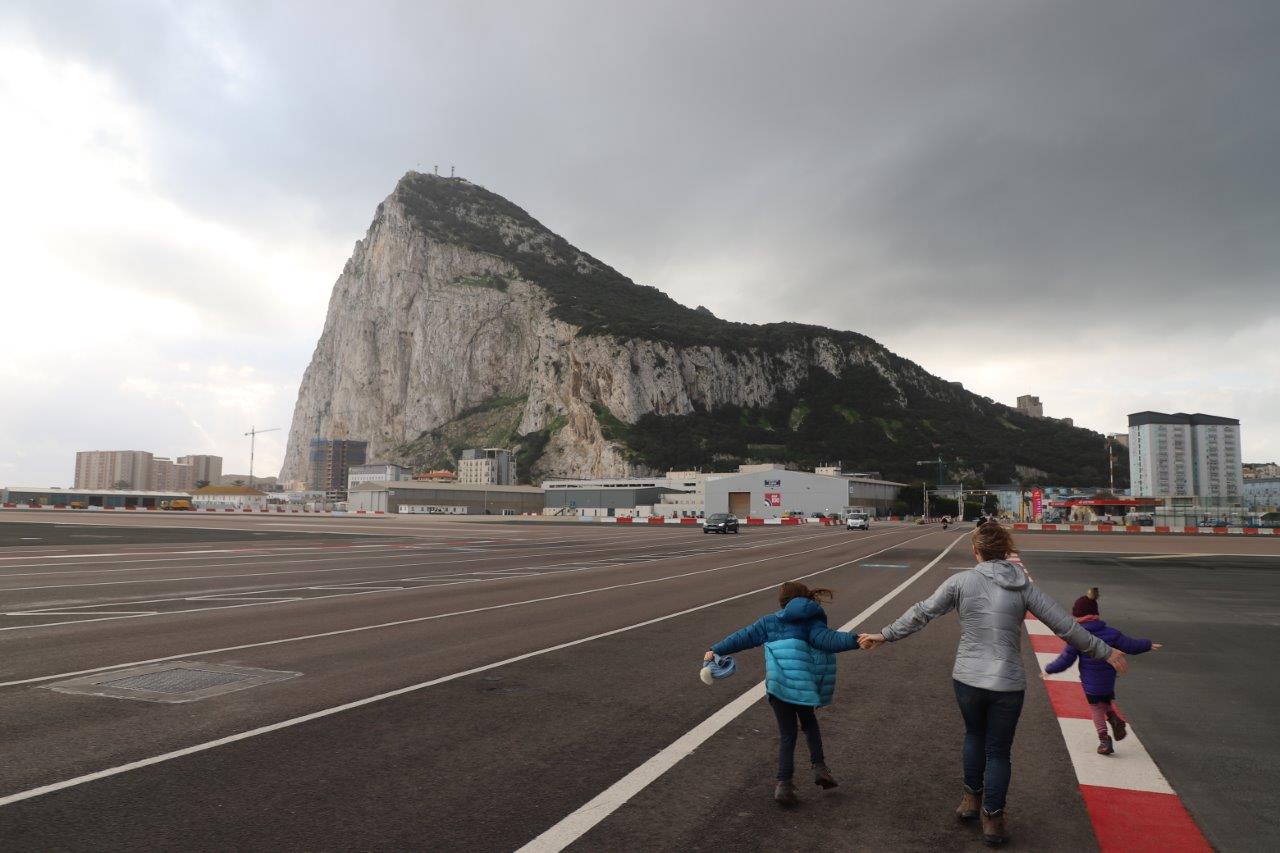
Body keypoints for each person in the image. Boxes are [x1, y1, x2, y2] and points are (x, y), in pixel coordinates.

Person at [857, 523, 1128, 846]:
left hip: (968, 679)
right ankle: (993, 819)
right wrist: (1105, 651)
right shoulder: (1024, 588)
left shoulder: (961, 582)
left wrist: (884, 635)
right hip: (1008, 683)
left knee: (974, 736)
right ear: (1006, 551)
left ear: (976, 551)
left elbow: (922, 613)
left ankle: (970, 801)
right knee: (999, 751)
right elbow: (1065, 627)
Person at [704, 581, 861, 806]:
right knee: (809, 724)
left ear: (782, 602)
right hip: (802, 685)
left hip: (778, 687)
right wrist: (856, 640)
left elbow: (742, 637)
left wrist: (715, 649)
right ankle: (820, 768)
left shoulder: (768, 622)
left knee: (788, 734)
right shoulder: (811, 622)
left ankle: (784, 785)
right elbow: (829, 640)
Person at [1043, 591, 1161, 755]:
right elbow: (1130, 645)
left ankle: (1104, 740)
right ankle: (1113, 718)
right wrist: (1147, 645)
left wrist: (1049, 669)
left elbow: (1066, 659)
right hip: (1108, 679)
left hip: (1090, 681)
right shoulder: (1111, 633)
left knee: (1096, 709)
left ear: (1077, 616)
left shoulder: (1077, 636)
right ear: (1096, 614)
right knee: (1104, 700)